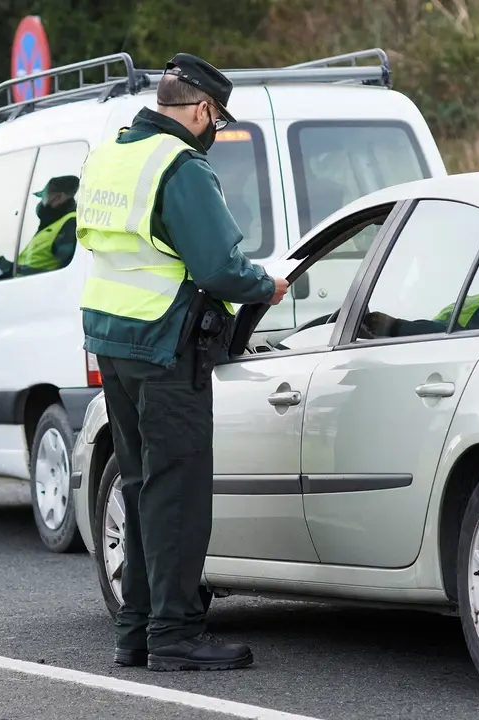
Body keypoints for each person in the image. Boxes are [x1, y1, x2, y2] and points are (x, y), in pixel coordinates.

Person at [76, 53, 290, 672]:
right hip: (168, 348)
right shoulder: (180, 166)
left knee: (144, 486)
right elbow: (220, 267)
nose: (214, 133)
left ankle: (136, 632)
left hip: (114, 343)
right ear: (201, 111)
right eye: (216, 122)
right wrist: (264, 286)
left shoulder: (110, 151)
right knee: (179, 492)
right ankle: (174, 635)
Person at [16, 175, 79, 275]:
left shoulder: (70, 224)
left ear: (59, 198)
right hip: (24, 284)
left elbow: (65, 273)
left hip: (36, 287)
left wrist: (20, 270)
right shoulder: (52, 224)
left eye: (44, 196)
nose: (42, 203)